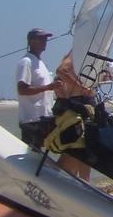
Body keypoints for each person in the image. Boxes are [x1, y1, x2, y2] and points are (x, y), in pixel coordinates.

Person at [16, 28, 90, 178]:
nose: (45, 42)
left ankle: (66, 178)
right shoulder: (26, 61)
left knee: (70, 144)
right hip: (32, 119)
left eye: (45, 39)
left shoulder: (40, 62)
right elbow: (22, 89)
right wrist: (49, 86)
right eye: (41, 39)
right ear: (31, 41)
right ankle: (33, 181)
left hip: (46, 117)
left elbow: (47, 89)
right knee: (34, 156)